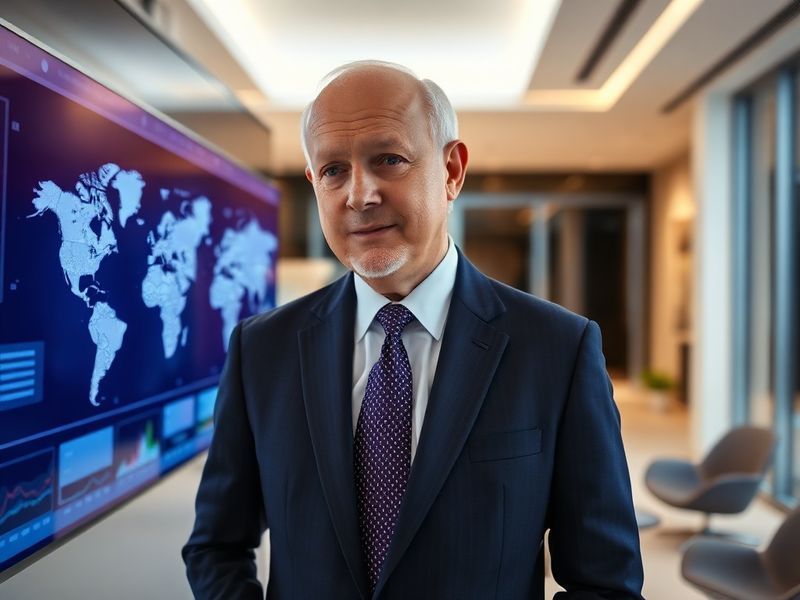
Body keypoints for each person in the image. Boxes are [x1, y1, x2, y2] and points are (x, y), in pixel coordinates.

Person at [183, 60, 644, 599]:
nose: (359, 194)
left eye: (389, 160)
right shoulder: (261, 350)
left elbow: (605, 581)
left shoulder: (558, 350)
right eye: (333, 170)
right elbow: (216, 545)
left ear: (452, 171)